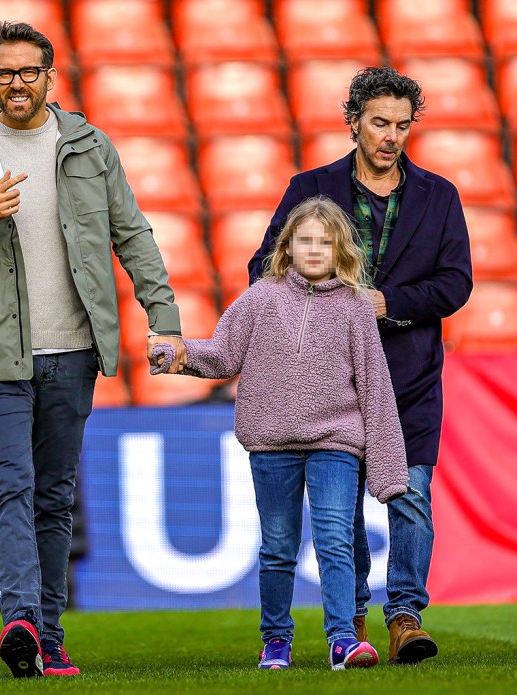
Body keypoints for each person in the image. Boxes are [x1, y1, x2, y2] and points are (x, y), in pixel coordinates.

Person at [0, 21, 186, 678]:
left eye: (29, 71)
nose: (17, 84)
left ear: (49, 76)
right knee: (12, 485)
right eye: (5, 73)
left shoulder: (89, 146)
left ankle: (50, 638)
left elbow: (134, 236)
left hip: (73, 351)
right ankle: (22, 621)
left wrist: (164, 316)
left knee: (54, 495)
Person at [248, 66, 473, 665]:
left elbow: (457, 284)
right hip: (332, 384)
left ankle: (405, 616)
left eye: (402, 125)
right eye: (379, 123)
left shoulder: (440, 196)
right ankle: (349, 620)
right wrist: (322, 295)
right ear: (354, 122)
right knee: (339, 510)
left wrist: (387, 303)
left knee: (411, 497)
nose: (391, 136)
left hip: (410, 377)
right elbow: (261, 268)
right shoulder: (310, 186)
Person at [152, 195, 408, 670]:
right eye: (305, 241)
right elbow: (225, 355)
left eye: (324, 243)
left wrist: (388, 469)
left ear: (340, 251)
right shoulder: (260, 297)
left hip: (336, 442)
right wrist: (180, 354)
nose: (314, 250)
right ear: (287, 247)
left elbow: (376, 386)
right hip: (271, 444)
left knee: (333, 540)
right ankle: (275, 640)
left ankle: (342, 640)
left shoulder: (355, 306)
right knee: (277, 546)